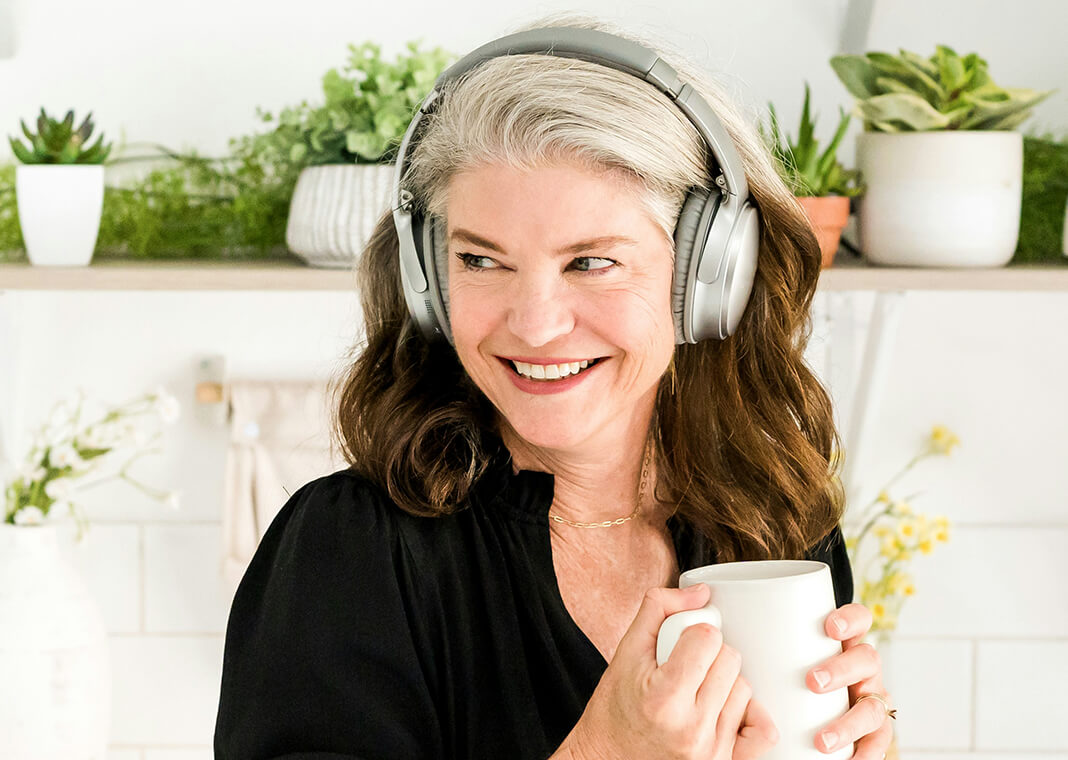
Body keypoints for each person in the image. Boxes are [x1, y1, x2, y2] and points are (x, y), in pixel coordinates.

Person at [214, 14, 896, 760]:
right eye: (481, 261)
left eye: (590, 262)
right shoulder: (350, 552)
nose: (534, 327)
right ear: (428, 284)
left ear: (707, 278)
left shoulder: (774, 526)